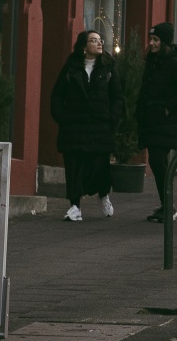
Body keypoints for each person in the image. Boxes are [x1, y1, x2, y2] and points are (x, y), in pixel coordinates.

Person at [49, 29, 122, 222]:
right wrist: (62, 118)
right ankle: (75, 206)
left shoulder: (108, 68)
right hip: (74, 127)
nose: (99, 43)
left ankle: (103, 194)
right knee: (73, 167)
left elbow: (117, 97)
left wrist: (112, 118)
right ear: (83, 46)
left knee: (100, 166)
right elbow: (57, 95)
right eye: (93, 40)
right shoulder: (71, 67)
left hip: (100, 127)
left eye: (100, 40)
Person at [135, 22, 177, 223]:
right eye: (151, 39)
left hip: (166, 122)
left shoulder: (176, 63)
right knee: (159, 161)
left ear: (165, 42)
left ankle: (169, 206)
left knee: (158, 161)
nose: (152, 43)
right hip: (152, 120)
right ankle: (167, 205)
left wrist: (169, 107)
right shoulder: (154, 61)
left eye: (156, 39)